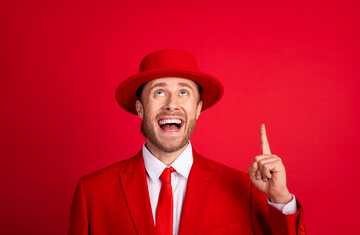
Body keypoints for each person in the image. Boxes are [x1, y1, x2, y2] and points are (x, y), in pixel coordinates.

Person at [68, 49, 305, 235]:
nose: (172, 104)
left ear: (198, 108)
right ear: (140, 108)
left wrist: (280, 199)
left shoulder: (245, 188)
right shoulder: (93, 192)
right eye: (159, 92)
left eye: (184, 93)